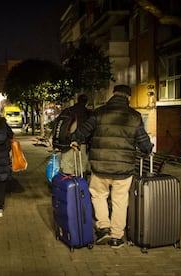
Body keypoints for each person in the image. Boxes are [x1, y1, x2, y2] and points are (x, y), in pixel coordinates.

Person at [71, 85, 153, 247]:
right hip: (124, 169)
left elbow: (84, 130)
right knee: (120, 201)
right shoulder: (135, 116)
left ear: (112, 94)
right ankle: (116, 236)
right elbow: (144, 143)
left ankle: (103, 227)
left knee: (98, 195)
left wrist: (75, 139)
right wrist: (147, 150)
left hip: (99, 167)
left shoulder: (100, 113)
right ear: (128, 98)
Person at [57, 94, 92, 176]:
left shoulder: (68, 110)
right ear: (86, 102)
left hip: (67, 143)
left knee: (67, 167)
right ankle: (79, 185)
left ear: (77, 100)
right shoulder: (88, 113)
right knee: (81, 167)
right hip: (81, 144)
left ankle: (68, 186)